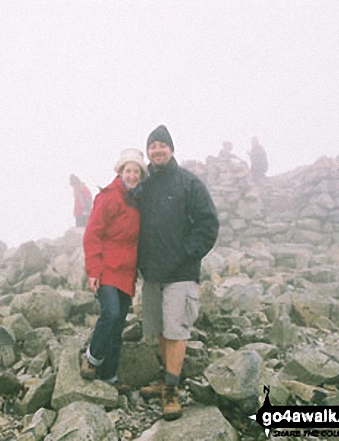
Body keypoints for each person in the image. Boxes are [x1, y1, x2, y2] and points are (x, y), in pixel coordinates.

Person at [137, 125, 219, 421]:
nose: (157, 150)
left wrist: (187, 254)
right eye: (152, 146)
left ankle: (171, 391)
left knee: (176, 330)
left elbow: (208, 224)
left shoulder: (188, 183)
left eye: (162, 145)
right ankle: (165, 379)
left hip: (181, 274)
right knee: (159, 330)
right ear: (148, 151)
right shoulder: (143, 186)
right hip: (152, 274)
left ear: (171, 150)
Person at [80, 148, 148, 385]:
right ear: (120, 171)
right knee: (110, 313)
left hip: (127, 272)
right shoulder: (108, 197)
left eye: (136, 171)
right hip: (107, 268)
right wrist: (93, 272)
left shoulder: (139, 201)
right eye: (128, 170)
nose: (131, 175)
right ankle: (92, 358)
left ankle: (109, 376)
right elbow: (92, 235)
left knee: (118, 324)